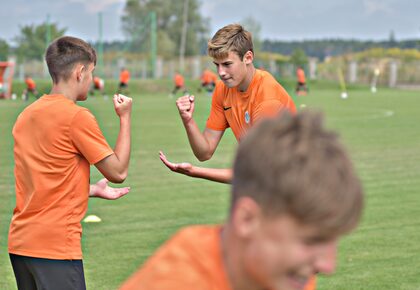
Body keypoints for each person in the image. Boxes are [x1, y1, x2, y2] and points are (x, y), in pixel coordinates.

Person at [120, 111, 365, 290]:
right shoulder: (175, 282)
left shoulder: (288, 275)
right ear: (247, 220)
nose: (328, 265)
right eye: (311, 240)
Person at [8, 36, 133, 290]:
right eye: (92, 73)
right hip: (54, 248)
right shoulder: (76, 117)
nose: (91, 80)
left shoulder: (25, 116)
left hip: (21, 245)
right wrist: (125, 118)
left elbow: (42, 183)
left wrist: (90, 190)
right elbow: (118, 171)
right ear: (80, 71)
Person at [160, 24, 296, 183]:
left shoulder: (267, 100)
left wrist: (194, 171)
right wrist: (188, 120)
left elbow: (256, 173)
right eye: (216, 65)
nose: (221, 73)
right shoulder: (222, 90)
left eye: (227, 64)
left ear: (248, 58)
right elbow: (204, 152)